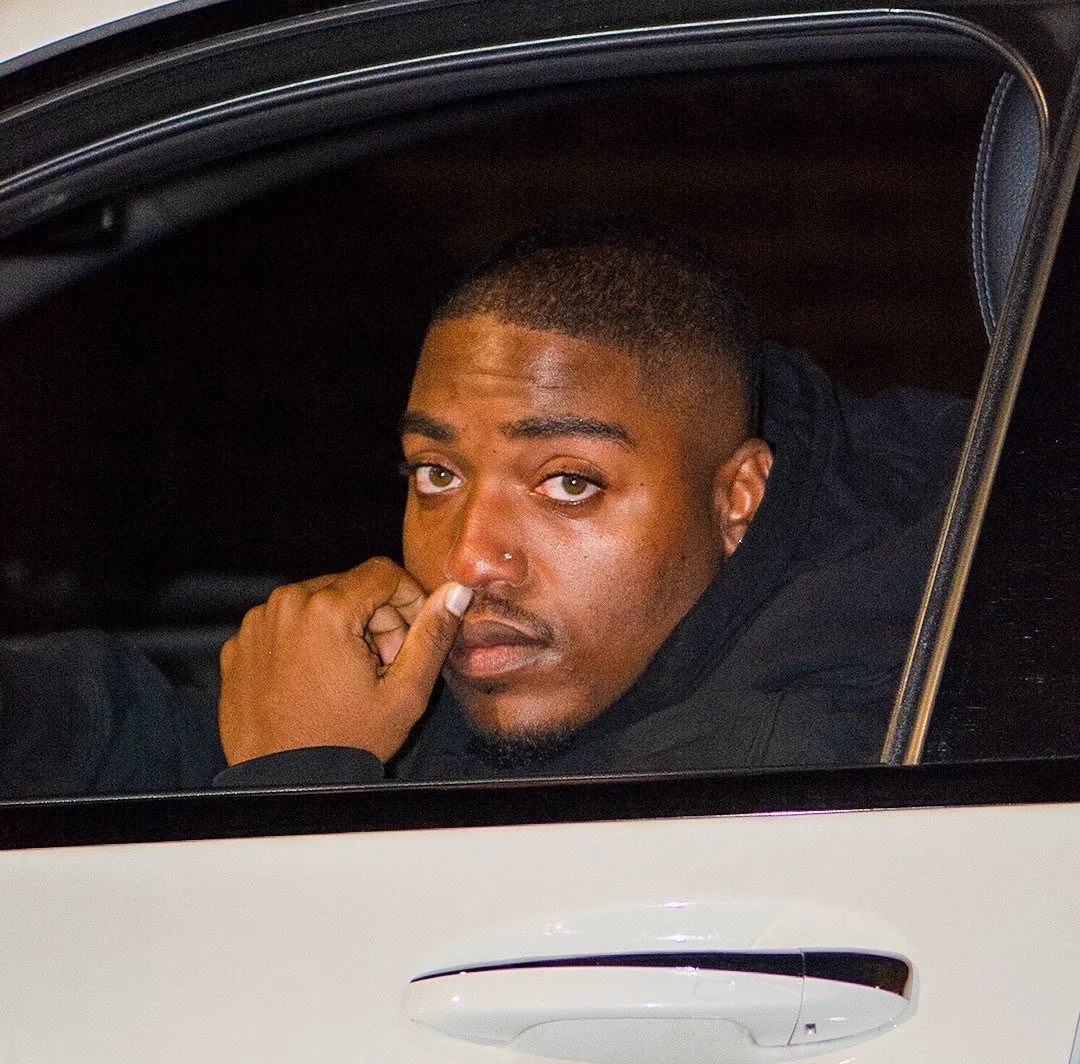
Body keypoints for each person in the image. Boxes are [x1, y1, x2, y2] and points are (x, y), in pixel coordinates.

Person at [0, 216, 970, 795]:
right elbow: (141, 740)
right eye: (437, 474)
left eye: (568, 484)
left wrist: (298, 780)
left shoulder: (800, 760)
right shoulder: (595, 652)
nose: (471, 561)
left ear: (739, 498)